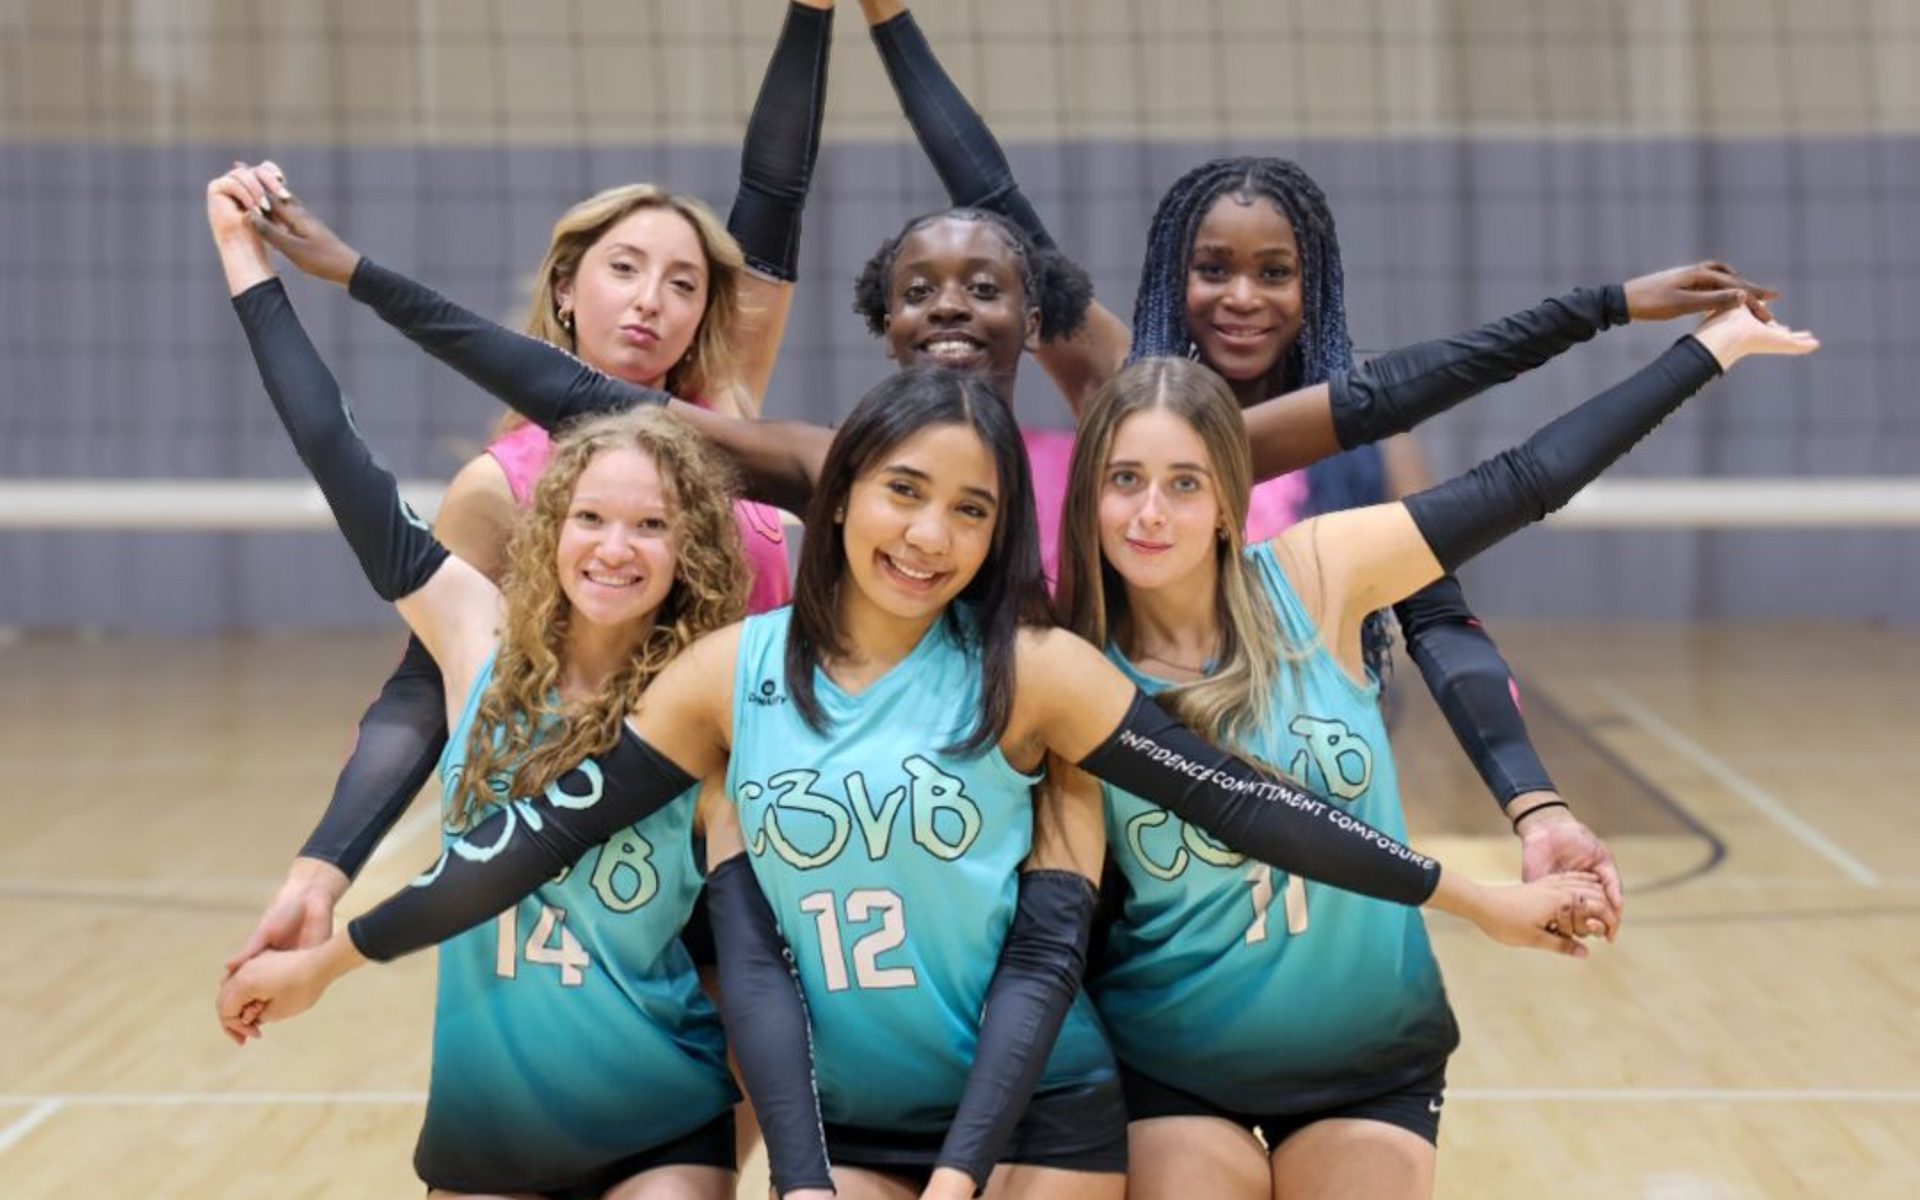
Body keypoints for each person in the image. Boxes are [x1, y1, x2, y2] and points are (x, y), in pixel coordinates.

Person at [218, 363, 1616, 1199]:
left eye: (971, 508)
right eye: (902, 490)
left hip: (1041, 1107)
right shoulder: (725, 678)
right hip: (847, 1122)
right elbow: (526, 845)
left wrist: (1475, 898)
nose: (930, 534)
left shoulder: (1035, 671)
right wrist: (329, 960)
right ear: (842, 497)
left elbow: (1239, 800)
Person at [848, 0, 1780, 910]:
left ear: (1313, 284)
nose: (1241, 299)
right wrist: (887, 16)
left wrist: (1530, 798)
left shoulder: (1368, 435)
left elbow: (1440, 619)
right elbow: (996, 199)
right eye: (1213, 270)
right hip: (1133, 787)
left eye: (1274, 273)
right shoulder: (1128, 392)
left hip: (1306, 776)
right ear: (1176, 277)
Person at [1053, 305, 1814, 1199]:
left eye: (1183, 483)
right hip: (1172, 1061)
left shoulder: (1314, 574)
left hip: (1370, 1050)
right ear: (1089, 493)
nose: (1150, 512)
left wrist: (1712, 348)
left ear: (1227, 498)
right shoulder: (1074, 670)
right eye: (1125, 480)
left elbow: (1525, 481)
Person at [223, 0, 834, 1001]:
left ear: (703, 318)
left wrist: (812, 12)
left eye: (683, 284)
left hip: (758, 824)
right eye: (624, 269)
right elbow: (425, 689)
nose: (651, 299)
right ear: (564, 289)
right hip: (610, 846)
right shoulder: (503, 484)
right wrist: (322, 868)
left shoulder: (726, 421)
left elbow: (772, 194)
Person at [208, 165, 759, 1200]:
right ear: (546, 526)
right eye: (590, 519)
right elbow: (331, 447)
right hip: (489, 1119)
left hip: (663, 1103)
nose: (614, 548)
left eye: (649, 525)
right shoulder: (475, 635)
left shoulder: (702, 692)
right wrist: (247, 262)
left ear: (690, 544)